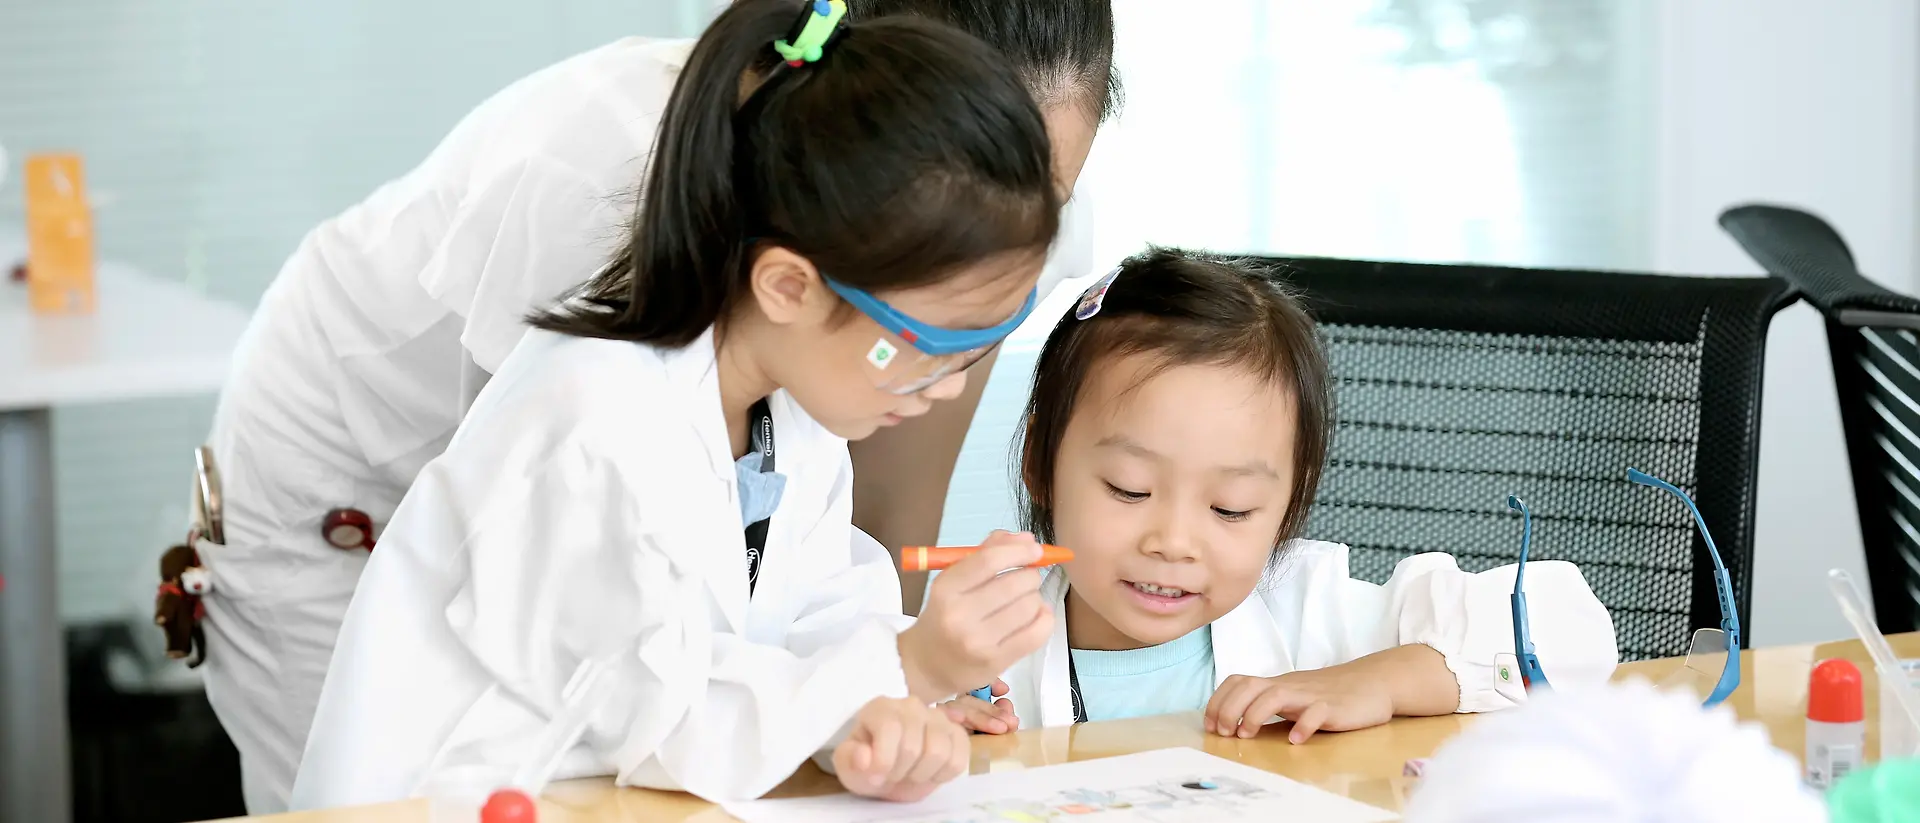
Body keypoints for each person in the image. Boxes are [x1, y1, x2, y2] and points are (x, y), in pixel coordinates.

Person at [192, 0, 1116, 812]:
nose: (947, 386)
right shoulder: (595, 410)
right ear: (794, 283)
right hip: (404, 639)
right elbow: (655, 708)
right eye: (922, 348)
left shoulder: (792, 392)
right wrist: (901, 669)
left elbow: (809, 594)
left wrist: (877, 705)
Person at [938, 249, 1621, 737]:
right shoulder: (979, 637)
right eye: (1130, 488)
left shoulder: (1309, 609)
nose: (1173, 541)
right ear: (1038, 459)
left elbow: (1570, 635)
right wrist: (910, 720)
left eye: (1230, 507)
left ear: (1288, 505)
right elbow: (853, 703)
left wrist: (1377, 681)